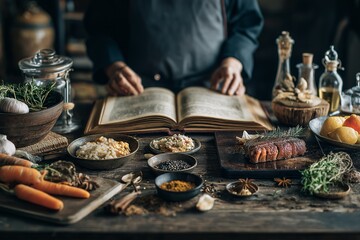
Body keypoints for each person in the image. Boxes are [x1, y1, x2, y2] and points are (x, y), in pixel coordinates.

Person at [83, 0, 263, 96]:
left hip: (214, 89)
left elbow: (246, 25)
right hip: (136, 90)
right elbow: (99, 30)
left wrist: (233, 61)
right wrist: (114, 66)